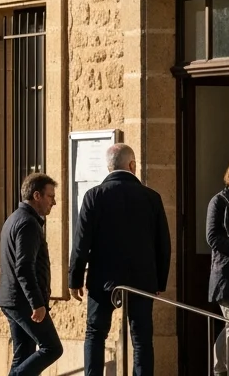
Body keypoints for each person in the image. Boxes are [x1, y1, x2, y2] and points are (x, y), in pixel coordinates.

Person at [68, 144, 171, 376]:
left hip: (102, 278)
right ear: (132, 165)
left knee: (95, 334)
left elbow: (81, 242)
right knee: (142, 339)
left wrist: (74, 279)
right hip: (142, 279)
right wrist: (159, 283)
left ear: (108, 167)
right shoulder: (152, 198)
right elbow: (163, 244)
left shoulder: (94, 196)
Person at [0, 173, 64, 376]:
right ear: (37, 195)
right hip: (23, 301)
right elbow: (24, 267)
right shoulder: (28, 223)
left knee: (23, 355)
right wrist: (37, 303)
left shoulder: (14, 218)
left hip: (12, 299)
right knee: (52, 348)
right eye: (50, 196)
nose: (54, 201)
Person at [206, 161, 229, 375]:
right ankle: (220, 369)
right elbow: (212, 237)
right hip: (226, 275)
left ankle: (220, 368)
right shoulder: (219, 201)